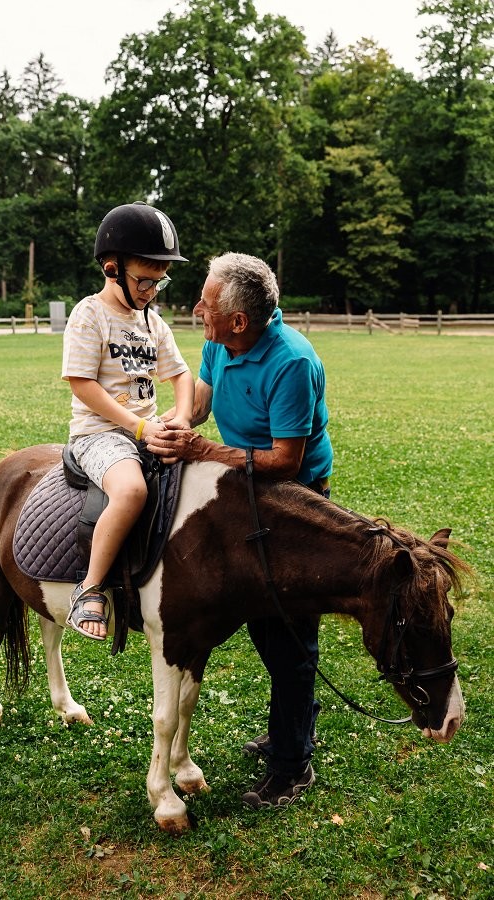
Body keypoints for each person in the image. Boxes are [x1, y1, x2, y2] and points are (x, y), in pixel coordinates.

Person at [146, 252, 333, 808]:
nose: (198, 307)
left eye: (208, 302)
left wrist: (203, 450)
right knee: (262, 623)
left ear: (239, 321)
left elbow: (286, 460)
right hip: (246, 494)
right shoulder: (220, 344)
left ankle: (293, 764)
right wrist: (174, 428)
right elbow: (200, 404)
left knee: (290, 638)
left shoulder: (291, 361)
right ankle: (291, 732)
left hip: (296, 501)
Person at [62, 201, 194, 641]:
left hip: (148, 428)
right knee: (133, 489)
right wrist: (139, 428)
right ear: (111, 267)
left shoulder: (153, 322)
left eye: (160, 282)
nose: (151, 291)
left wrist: (182, 418)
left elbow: (180, 374)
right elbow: (82, 385)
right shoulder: (89, 315)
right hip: (100, 434)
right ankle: (90, 587)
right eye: (144, 280)